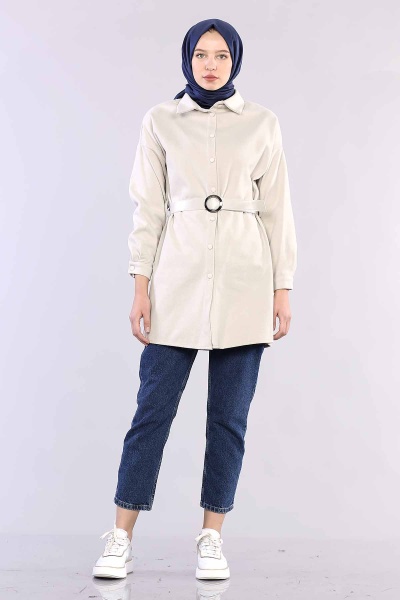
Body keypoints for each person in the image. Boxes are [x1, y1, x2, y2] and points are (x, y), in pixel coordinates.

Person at [93, 18, 297, 581]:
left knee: (228, 420)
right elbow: (147, 208)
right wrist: (140, 285)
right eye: (202, 54)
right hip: (176, 279)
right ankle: (120, 535)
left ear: (236, 61)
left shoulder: (262, 123)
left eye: (222, 55)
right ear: (187, 58)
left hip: (245, 277)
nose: (211, 64)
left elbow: (278, 210)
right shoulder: (160, 121)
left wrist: (282, 288)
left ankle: (212, 537)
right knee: (151, 413)